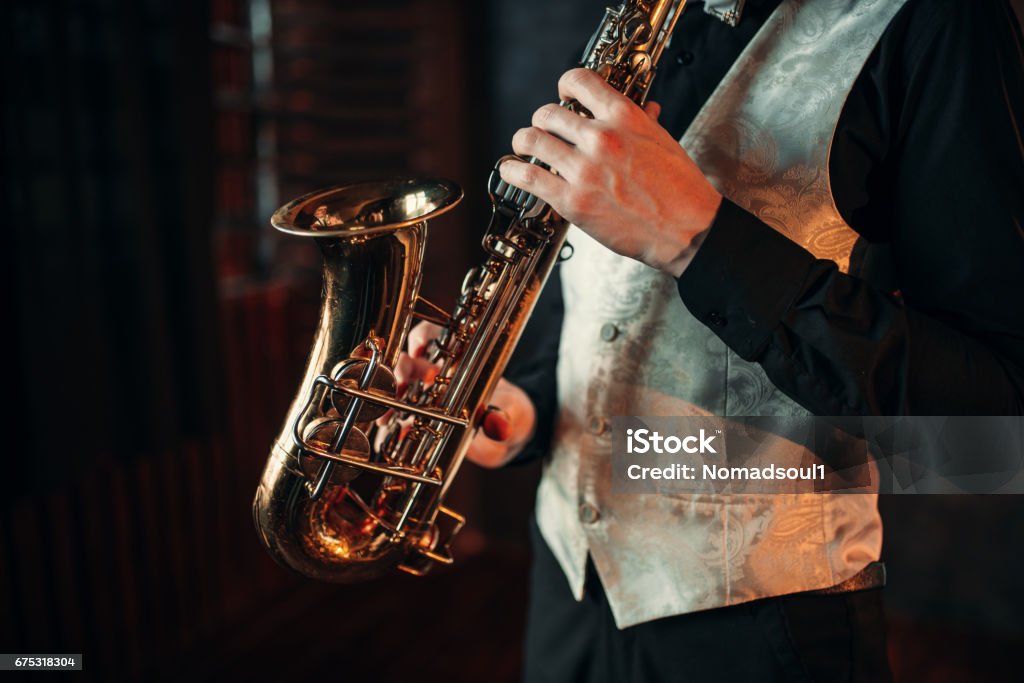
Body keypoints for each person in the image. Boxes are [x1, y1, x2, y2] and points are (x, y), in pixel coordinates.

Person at [402, 0, 1024, 680]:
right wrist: (526, 404)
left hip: (766, 627)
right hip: (567, 591)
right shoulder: (638, 15)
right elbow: (606, 297)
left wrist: (699, 240)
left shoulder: (944, 22)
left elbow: (988, 439)